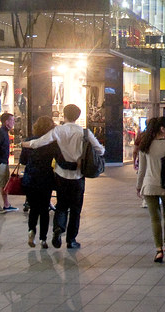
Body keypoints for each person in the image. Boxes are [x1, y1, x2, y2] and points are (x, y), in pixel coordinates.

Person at [22, 104, 105, 248]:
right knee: (76, 209)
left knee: (61, 205)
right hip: (78, 175)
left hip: (61, 175)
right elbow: (100, 150)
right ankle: (71, 240)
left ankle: (58, 229)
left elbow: (40, 142)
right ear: (78, 116)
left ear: (64, 114)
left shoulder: (58, 130)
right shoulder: (85, 132)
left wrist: (25, 144)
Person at [136, 116, 165, 263]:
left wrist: (139, 187)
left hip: (149, 186)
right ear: (162, 129)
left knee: (155, 219)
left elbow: (142, 170)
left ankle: (158, 250)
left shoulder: (145, 145)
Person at [20, 116, 59, 248]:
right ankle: (43, 239)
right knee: (44, 209)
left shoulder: (29, 141)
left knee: (33, 208)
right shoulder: (52, 142)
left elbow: (23, 161)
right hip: (45, 177)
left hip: (30, 177)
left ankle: (31, 231)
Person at [0, 112, 17, 212]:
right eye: (12, 120)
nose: (14, 122)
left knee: (4, 183)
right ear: (6, 122)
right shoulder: (0, 133)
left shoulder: (4, 133)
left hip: (3, 162)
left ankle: (6, 204)